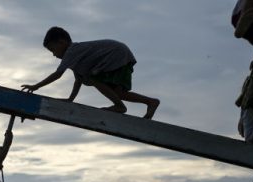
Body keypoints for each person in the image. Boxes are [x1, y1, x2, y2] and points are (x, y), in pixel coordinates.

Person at [21, 26, 160, 118]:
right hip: (121, 54)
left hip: (115, 54)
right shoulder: (77, 59)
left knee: (94, 79)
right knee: (118, 93)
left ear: (62, 42)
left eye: (53, 50)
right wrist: (71, 99)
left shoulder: (72, 50)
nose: (54, 55)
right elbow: (78, 80)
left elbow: (58, 74)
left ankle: (119, 106)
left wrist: (36, 86)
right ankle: (150, 102)